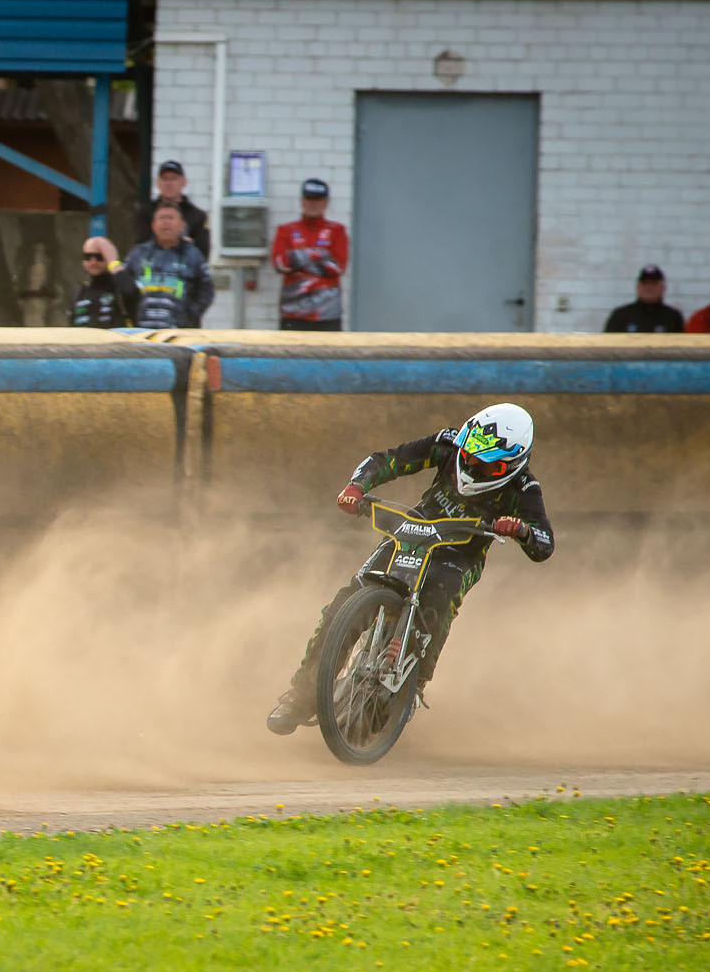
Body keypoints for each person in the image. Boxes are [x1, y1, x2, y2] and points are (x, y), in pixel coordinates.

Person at [265, 404, 555, 736]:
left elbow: (544, 543)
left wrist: (521, 530)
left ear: (510, 464)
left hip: (460, 555)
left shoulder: (525, 489)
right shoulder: (449, 443)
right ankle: (302, 695)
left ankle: (413, 684)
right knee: (347, 601)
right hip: (412, 532)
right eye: (467, 454)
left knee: (440, 596)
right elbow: (390, 459)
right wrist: (356, 487)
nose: (469, 462)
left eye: (481, 462)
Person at [117, 202, 214, 328]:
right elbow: (124, 288)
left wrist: (190, 317)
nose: (166, 222)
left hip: (179, 333)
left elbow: (206, 291)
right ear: (153, 225)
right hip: (141, 332)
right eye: (162, 218)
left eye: (171, 218)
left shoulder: (193, 255)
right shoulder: (138, 254)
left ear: (182, 226)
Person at [268, 178, 348, 331]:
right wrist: (320, 255)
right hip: (293, 313)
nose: (313, 204)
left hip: (327, 313)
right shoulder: (286, 230)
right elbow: (279, 264)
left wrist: (298, 257)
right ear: (302, 201)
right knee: (290, 354)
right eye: (309, 199)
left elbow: (338, 267)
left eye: (318, 200)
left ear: (326, 203)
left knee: (328, 354)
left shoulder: (337, 230)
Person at [135, 160, 211, 258]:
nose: (169, 183)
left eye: (173, 179)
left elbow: (203, 253)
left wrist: (188, 247)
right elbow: (140, 244)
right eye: (165, 179)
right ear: (158, 182)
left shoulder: (198, 215)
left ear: (183, 182)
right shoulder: (145, 212)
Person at [67, 236, 128, 327]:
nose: (93, 262)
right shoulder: (78, 292)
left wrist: (114, 263)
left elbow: (131, 292)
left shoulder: (120, 288)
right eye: (88, 257)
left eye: (99, 257)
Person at [603, 265, 683, 333]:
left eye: (654, 283)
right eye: (645, 283)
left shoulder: (672, 317)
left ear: (663, 288)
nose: (649, 287)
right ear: (638, 287)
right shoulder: (621, 316)